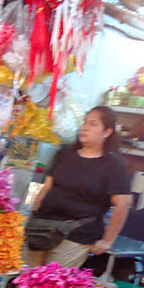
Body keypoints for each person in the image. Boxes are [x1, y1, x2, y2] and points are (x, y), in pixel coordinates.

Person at [26, 106, 133, 268]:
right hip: (41, 228)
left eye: (93, 124)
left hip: (76, 235)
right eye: (85, 122)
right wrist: (32, 216)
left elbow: (122, 204)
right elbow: (47, 187)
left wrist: (107, 240)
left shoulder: (114, 165)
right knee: (26, 279)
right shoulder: (64, 154)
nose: (85, 128)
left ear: (107, 132)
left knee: (53, 281)